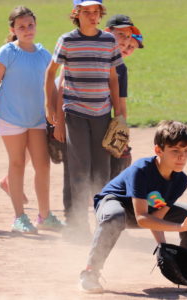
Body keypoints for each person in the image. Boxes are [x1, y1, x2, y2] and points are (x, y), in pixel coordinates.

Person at [79, 120, 187, 293]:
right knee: (115, 217)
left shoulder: (180, 180)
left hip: (143, 211)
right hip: (113, 204)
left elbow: (157, 216)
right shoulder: (141, 171)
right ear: (158, 150)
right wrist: (179, 227)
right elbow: (142, 218)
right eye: (175, 151)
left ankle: (186, 266)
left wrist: (163, 247)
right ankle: (90, 273)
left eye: (186, 150)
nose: (182, 156)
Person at [0, 6, 64, 234]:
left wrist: (58, 115)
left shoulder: (44, 55)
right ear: (13, 29)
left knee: (43, 166)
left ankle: (45, 216)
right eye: (21, 27)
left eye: (30, 25)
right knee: (17, 164)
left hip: (37, 118)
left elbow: (53, 87)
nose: (27, 30)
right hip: (10, 117)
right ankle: (19, 217)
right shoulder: (7, 52)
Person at [44, 0, 123, 231]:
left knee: (102, 169)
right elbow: (51, 75)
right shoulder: (67, 40)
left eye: (95, 12)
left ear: (100, 15)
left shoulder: (108, 40)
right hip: (75, 114)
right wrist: (52, 110)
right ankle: (77, 224)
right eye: (86, 12)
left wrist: (119, 115)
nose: (91, 16)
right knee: (79, 168)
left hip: (102, 113)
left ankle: (104, 220)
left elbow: (113, 79)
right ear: (76, 14)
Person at [103, 14, 145, 179]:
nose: (127, 49)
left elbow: (120, 103)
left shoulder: (121, 68)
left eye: (132, 47)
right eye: (127, 42)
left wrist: (122, 132)